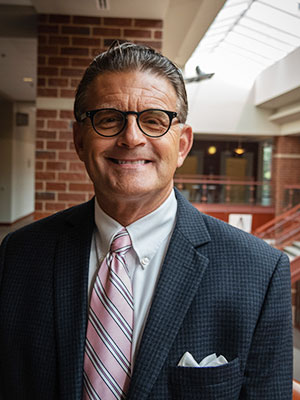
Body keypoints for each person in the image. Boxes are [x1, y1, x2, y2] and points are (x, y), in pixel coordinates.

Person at [0, 41, 293, 399]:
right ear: (78, 140)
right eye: (109, 119)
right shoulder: (19, 255)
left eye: (154, 121)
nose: (132, 138)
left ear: (183, 145)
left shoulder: (260, 272)